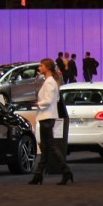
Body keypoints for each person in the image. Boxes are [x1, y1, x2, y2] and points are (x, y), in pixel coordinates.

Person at [28, 58, 73, 186]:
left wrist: (37, 103)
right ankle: (39, 174)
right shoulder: (52, 81)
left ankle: (65, 171)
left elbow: (48, 100)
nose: (39, 68)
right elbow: (56, 98)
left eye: (41, 66)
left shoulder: (49, 82)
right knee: (46, 147)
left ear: (47, 67)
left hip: (46, 116)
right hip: (48, 116)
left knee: (50, 146)